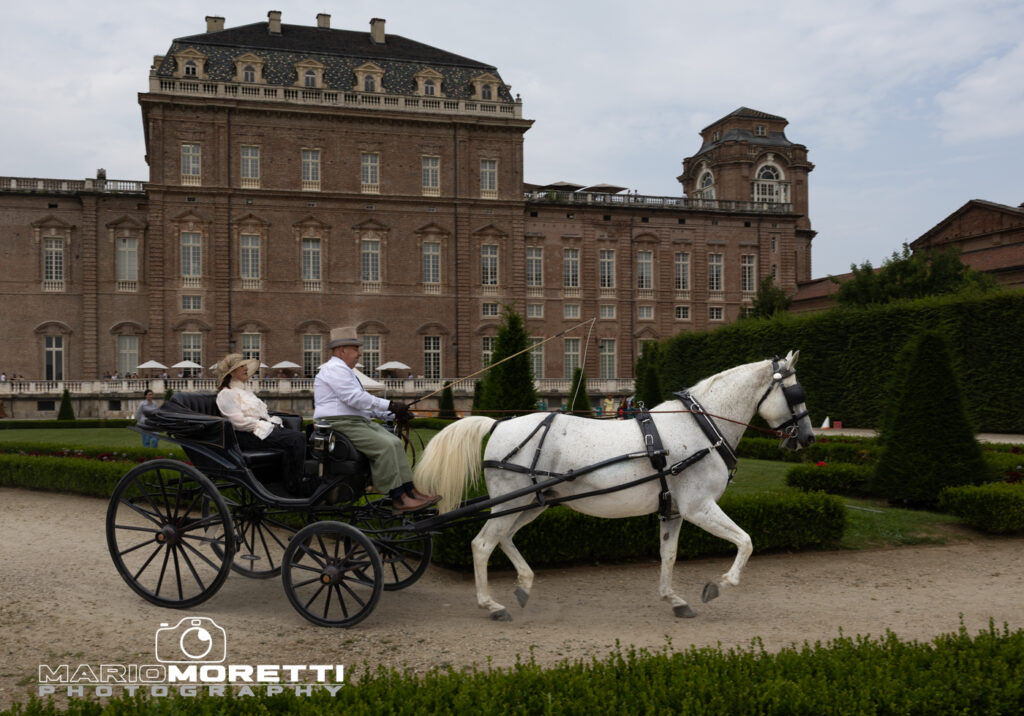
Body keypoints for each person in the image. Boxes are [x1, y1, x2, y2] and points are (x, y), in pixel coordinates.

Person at [313, 326, 438, 512]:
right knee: (385, 446)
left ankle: (410, 491)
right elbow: (355, 399)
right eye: (355, 349)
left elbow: (360, 407)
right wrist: (390, 405)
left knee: (395, 442)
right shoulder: (334, 369)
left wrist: (392, 414)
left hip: (354, 421)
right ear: (342, 350)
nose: (359, 354)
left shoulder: (343, 370)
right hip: (339, 423)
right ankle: (398, 497)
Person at [215, 353, 306, 484]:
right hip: (246, 435)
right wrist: (263, 425)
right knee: (298, 438)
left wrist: (270, 423)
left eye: (245, 365)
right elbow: (237, 422)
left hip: (258, 431)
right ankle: (297, 484)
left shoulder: (246, 392)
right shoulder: (226, 394)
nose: (246, 368)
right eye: (241, 366)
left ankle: (290, 481)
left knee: (301, 437)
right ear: (232, 372)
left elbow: (260, 414)